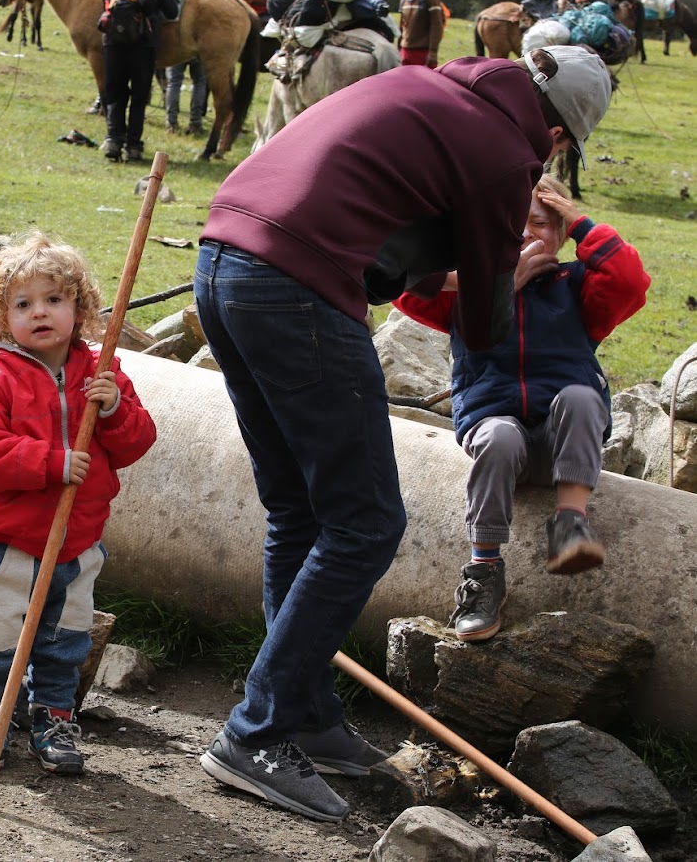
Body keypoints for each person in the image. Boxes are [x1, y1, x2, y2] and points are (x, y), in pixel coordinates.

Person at [192, 45, 614, 822]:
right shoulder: (503, 152)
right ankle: (256, 731)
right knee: (366, 521)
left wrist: (462, 280)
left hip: (224, 264)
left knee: (302, 510)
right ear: (559, 137)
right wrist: (508, 285)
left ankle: (306, 715)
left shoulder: (426, 87)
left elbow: (397, 244)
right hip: (296, 289)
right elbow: (486, 322)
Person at [0, 233, 157, 775]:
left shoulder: (101, 371)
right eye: (22, 304)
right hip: (3, 539)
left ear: (79, 308)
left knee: (64, 636)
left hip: (75, 542)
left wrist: (112, 412)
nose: (40, 313)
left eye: (53, 300)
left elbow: (136, 443)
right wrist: (51, 465)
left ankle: (54, 718)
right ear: (0, 315)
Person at [394, 174, 649, 642]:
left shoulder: (576, 288)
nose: (527, 234)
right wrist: (488, 277)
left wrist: (582, 222)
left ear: (560, 236)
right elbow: (404, 284)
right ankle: (484, 571)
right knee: (500, 435)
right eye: (510, 226)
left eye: (540, 224)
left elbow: (631, 283)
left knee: (579, 396)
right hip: (498, 440)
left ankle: (571, 522)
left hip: (561, 446)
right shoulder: (462, 295)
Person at [100, 0, 180, 163]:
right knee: (139, 98)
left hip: (113, 41)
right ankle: (133, 146)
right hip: (143, 45)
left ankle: (113, 141)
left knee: (114, 94)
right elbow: (172, 12)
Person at [397, 0, 445, 67]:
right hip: (404, 51)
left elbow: (437, 26)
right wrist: (398, 50)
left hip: (422, 52)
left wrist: (433, 53)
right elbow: (402, 25)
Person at [165, 58, 208, 136]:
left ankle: (171, 124)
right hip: (200, 50)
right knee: (199, 83)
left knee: (173, 82)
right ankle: (195, 124)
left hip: (177, 49)